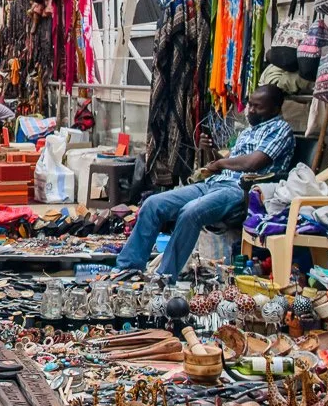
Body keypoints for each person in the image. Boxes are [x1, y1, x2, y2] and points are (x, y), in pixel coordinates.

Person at [116, 84, 296, 283]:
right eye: (250, 105)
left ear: (275, 108)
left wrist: (221, 162)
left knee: (191, 211)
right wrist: (210, 151)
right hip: (215, 182)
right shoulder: (248, 132)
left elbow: (254, 162)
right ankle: (128, 269)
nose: (250, 110)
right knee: (153, 204)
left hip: (240, 190)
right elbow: (226, 165)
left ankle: (164, 278)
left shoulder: (280, 130)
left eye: (257, 107)